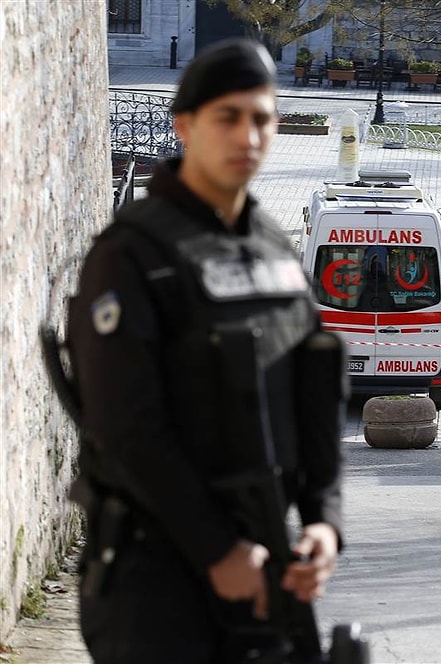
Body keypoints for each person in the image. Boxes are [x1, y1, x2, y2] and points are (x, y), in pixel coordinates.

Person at [66, 39, 345, 663]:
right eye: (229, 117)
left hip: (263, 569)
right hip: (157, 583)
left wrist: (324, 521)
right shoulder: (131, 256)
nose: (248, 134)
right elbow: (126, 429)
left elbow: (315, 391)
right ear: (185, 125)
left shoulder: (274, 251)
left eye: (262, 118)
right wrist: (215, 548)